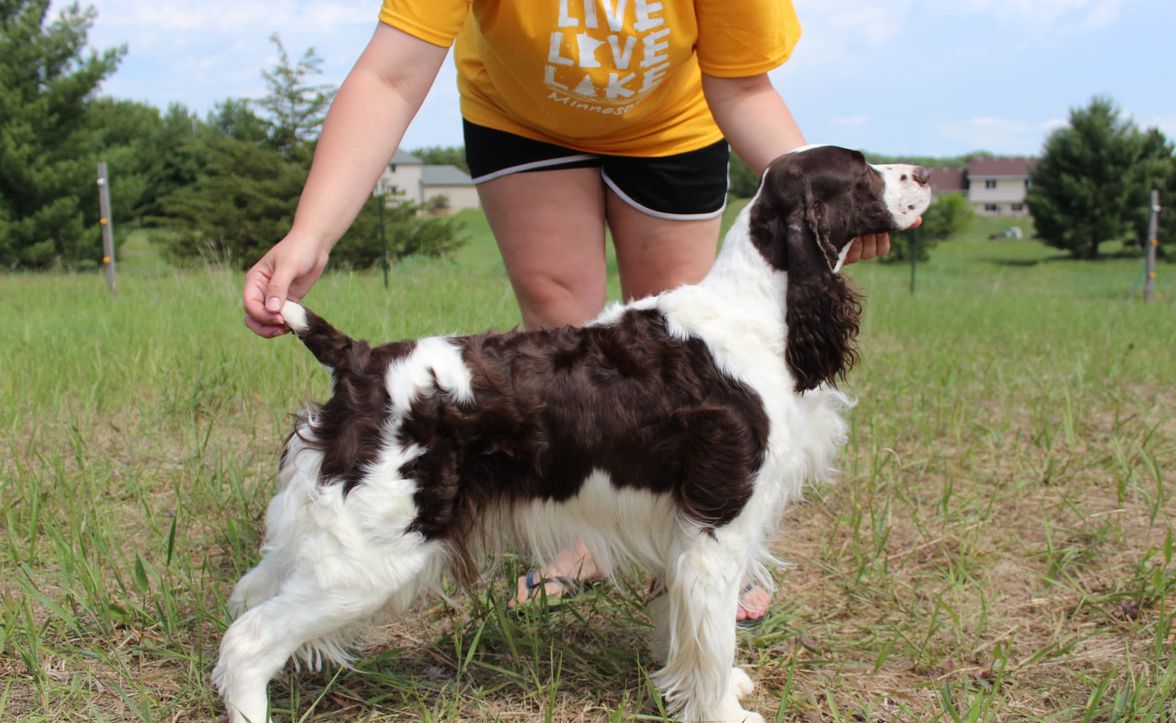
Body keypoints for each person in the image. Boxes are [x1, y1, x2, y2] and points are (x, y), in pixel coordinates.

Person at [242, 1, 892, 624]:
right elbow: (390, 75)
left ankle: (707, 535)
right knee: (560, 326)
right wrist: (312, 234)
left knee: (686, 353)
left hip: (672, 120)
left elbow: (745, 86)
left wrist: (828, 203)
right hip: (522, 117)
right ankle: (586, 531)